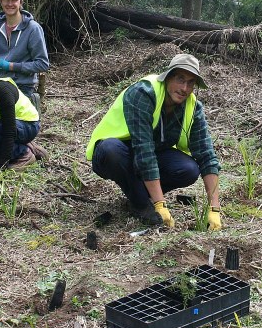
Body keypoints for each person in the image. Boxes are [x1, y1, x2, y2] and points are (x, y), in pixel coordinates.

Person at [86, 53, 222, 230]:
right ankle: (141, 204)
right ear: (168, 77)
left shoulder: (193, 107)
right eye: (180, 79)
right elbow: (144, 150)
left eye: (190, 83)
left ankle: (141, 195)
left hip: (153, 154)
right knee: (112, 150)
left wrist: (214, 209)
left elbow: (206, 155)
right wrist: (160, 204)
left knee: (189, 169)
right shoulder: (143, 93)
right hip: (116, 153)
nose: (184, 88)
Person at [0, 0, 49, 113]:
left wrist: (11, 66)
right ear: (1, 1)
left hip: (23, 87)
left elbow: (43, 64)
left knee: (12, 127)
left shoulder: (33, 28)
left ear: (21, 2)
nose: (10, 4)